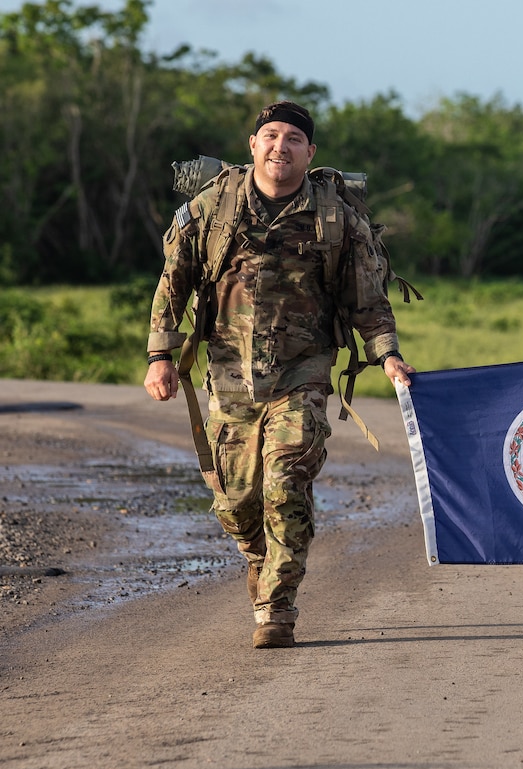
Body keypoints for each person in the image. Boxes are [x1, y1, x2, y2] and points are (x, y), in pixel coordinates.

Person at [143, 101, 414, 649]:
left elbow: (368, 298)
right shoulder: (214, 206)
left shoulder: (335, 216)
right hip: (228, 374)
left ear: (309, 153)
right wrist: (160, 356)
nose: (280, 146)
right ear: (252, 144)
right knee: (239, 504)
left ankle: (277, 608)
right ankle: (260, 560)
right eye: (271, 135)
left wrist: (386, 354)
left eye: (293, 138)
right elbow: (174, 279)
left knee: (287, 482)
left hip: (304, 374)